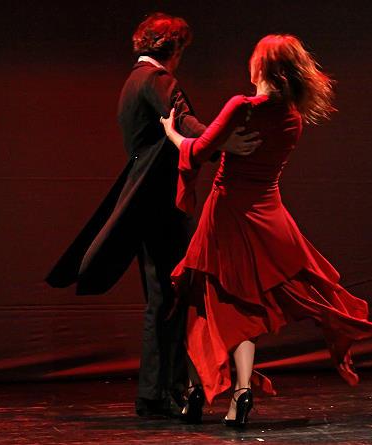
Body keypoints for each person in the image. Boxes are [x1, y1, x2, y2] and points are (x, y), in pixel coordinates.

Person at [160, 34, 372, 426]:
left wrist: (172, 133)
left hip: (228, 211)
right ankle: (240, 391)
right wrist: (226, 144)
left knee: (204, 299)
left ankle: (196, 391)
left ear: (262, 67)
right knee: (246, 304)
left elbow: (196, 152)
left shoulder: (242, 107)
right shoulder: (292, 118)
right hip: (267, 213)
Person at [45, 13, 260, 418]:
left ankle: (156, 393)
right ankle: (166, 391)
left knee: (162, 297)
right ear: (173, 48)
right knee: (171, 297)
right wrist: (223, 141)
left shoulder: (133, 81)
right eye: (182, 50)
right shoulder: (159, 80)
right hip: (161, 203)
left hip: (144, 201)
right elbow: (185, 123)